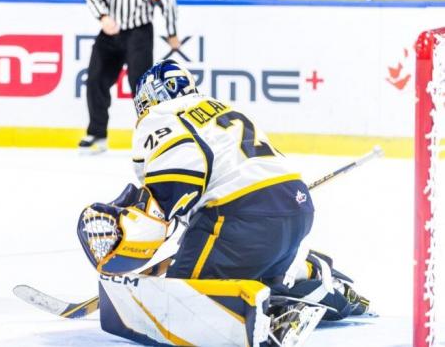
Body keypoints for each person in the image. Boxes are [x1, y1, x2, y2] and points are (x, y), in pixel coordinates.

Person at [77, 60, 370, 343]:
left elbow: (178, 184)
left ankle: (265, 315)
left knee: (179, 300)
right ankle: (307, 275)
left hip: (240, 218)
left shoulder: (161, 116)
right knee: (251, 280)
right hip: (297, 208)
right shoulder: (219, 108)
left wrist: (145, 223)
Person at [80, 0, 180, 154]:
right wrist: (103, 16)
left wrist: (171, 31)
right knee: (95, 79)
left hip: (138, 33)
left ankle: (151, 137)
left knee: (141, 87)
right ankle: (97, 134)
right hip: (110, 31)